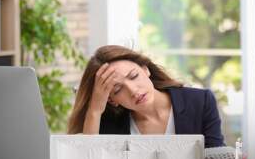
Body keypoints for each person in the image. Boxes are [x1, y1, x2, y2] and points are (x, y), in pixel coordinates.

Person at [67, 45, 225, 148]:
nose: (133, 91)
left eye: (133, 76)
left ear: (145, 69)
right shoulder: (109, 124)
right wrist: (94, 110)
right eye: (117, 89)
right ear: (111, 100)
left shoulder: (201, 102)